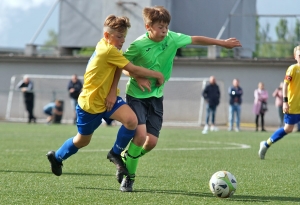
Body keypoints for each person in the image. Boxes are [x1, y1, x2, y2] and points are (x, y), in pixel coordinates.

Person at [109, 6, 242, 192]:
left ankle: (129, 158)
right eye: (160, 27)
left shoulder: (172, 38)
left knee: (151, 142)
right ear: (148, 27)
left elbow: (195, 39)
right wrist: (138, 77)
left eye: (166, 26)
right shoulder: (138, 45)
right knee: (139, 137)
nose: (164, 30)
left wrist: (222, 43)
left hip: (156, 96)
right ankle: (129, 179)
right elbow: (123, 66)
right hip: (137, 96)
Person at [46, 15, 164, 178]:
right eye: (119, 36)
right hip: (90, 105)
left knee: (131, 121)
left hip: (109, 100)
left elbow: (118, 67)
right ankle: (57, 157)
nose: (122, 40)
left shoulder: (111, 46)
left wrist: (112, 91)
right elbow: (131, 68)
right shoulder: (107, 50)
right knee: (82, 140)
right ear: (107, 35)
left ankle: (115, 153)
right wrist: (156, 74)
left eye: (124, 36)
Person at [259, 45, 300, 159]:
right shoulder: (293, 69)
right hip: (292, 105)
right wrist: (285, 101)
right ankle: (266, 144)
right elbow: (285, 85)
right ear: (295, 57)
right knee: (288, 129)